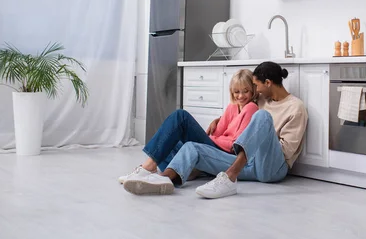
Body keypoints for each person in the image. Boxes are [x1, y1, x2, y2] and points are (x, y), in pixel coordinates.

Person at [123, 61, 308, 199]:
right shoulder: (263, 99)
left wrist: (262, 135)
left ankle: (229, 179)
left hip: (272, 167)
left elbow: (286, 152)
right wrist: (218, 120)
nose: (255, 91)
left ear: (268, 83)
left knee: (262, 117)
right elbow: (239, 110)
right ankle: (164, 179)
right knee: (190, 147)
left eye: (256, 86)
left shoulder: (295, 107)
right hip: (247, 163)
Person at [118, 69, 259, 191]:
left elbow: (236, 143)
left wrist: (213, 139)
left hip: (223, 153)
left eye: (245, 91)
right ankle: (189, 170)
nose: (240, 96)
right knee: (168, 141)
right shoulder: (232, 107)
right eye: (236, 92)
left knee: (181, 116)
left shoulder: (251, 108)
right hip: (215, 145)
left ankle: (148, 168)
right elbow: (216, 133)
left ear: (253, 90)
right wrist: (217, 125)